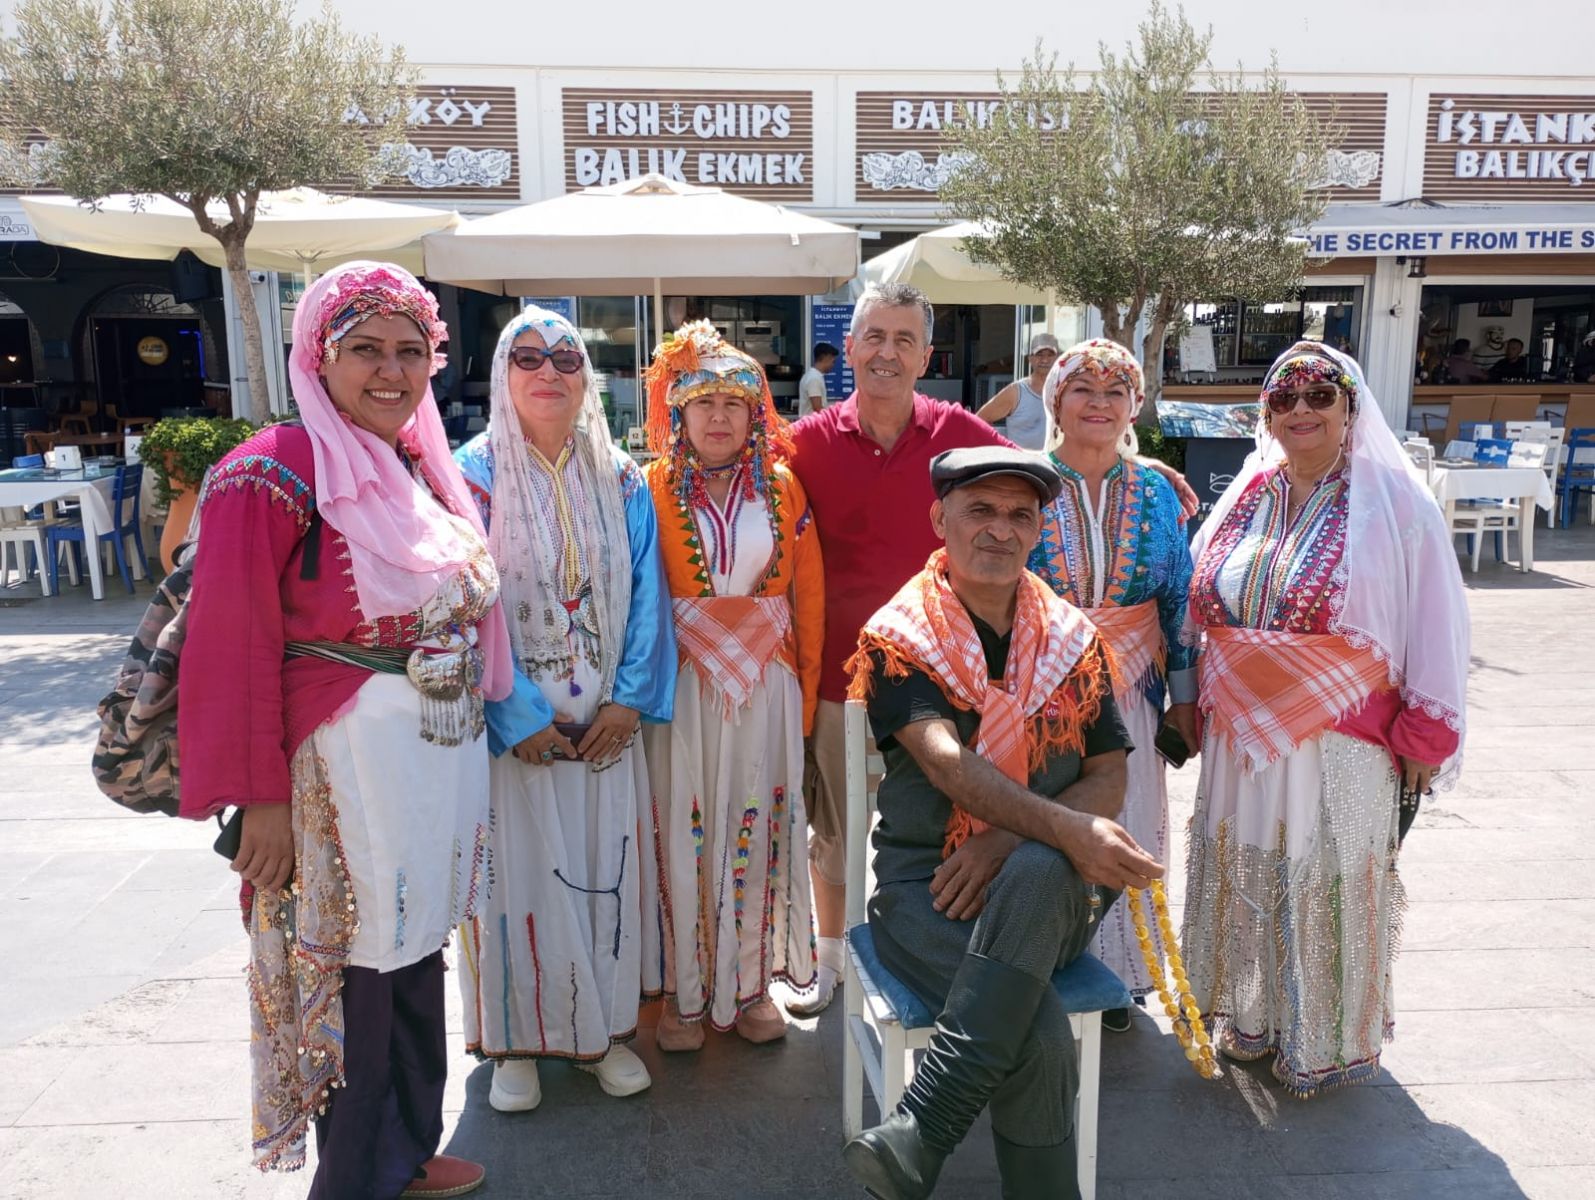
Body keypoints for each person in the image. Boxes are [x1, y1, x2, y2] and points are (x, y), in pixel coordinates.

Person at [179, 261, 513, 1198]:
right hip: (339, 769)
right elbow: (230, 644)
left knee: (412, 955)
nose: (391, 373)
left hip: (425, 770)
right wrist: (260, 801)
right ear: (317, 357)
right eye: (365, 349)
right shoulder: (269, 471)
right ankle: (357, 1174)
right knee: (356, 970)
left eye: (411, 351)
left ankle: (406, 1149)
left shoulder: (417, 466)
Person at [786, 282, 1197, 1017]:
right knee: (838, 833)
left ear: (925, 356)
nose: (887, 353)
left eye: (904, 340)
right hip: (854, 668)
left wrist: (1128, 462)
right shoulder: (806, 440)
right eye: (874, 336)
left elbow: (1042, 472)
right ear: (849, 347)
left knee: (979, 819)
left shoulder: (956, 431)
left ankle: (983, 969)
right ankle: (832, 958)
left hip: (967, 674)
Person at [840, 447, 1158, 1200]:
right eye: (979, 510)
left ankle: (923, 1127)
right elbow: (946, 763)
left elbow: (1110, 776)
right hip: (930, 891)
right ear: (939, 519)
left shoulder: (1072, 640)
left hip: (1054, 894)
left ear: (1037, 531)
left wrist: (1012, 837)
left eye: (1020, 515)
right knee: (1038, 1034)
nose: (1000, 529)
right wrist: (1060, 830)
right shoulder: (901, 638)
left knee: (1042, 865)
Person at [1183, 341, 1469, 1097]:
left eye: (1319, 395)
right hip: (1241, 736)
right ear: (1266, 414)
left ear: (1350, 408)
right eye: (1284, 398)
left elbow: (1437, 621)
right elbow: (1200, 605)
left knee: (1323, 873)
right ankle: (1251, 1019)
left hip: (1340, 735)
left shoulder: (1394, 502)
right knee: (1248, 865)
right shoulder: (1247, 494)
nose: (1300, 410)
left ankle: (1322, 1040)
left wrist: (1426, 736)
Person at [454, 305, 676, 1112]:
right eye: (527, 357)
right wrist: (514, 717)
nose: (547, 371)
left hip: (605, 726)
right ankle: (514, 1039)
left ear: (587, 377)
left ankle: (605, 1033)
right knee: (514, 881)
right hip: (513, 733)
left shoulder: (620, 476)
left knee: (602, 873)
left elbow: (649, 595)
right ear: (500, 374)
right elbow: (465, 606)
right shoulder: (467, 476)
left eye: (565, 358)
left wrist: (630, 702)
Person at [640, 320, 824, 1049]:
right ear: (678, 412)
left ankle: (750, 989)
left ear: (755, 415)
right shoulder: (650, 487)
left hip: (766, 685)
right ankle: (684, 996)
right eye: (702, 404)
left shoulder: (782, 487)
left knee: (761, 825)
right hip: (682, 688)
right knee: (682, 831)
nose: (718, 418)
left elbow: (809, 599)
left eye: (733, 405)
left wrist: (805, 704)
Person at [1028, 339, 1197, 1034]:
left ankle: (1120, 976)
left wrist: (1185, 699)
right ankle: (1048, 966)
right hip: (1041, 692)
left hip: (1134, 693)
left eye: (1115, 391)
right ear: (1055, 401)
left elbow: (1179, 600)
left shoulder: (1157, 492)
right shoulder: (1024, 481)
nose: (1098, 403)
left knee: (1131, 821)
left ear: (1134, 405)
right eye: (1082, 389)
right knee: (1053, 824)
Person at [976, 332, 1061, 449]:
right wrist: (998, 450)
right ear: (1030, 358)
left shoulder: (1064, 392)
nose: (1045, 360)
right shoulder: (1016, 392)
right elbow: (979, 419)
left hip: (1053, 461)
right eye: (1039, 355)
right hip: (1020, 460)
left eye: (1050, 355)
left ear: (1057, 358)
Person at [797, 341, 839, 417]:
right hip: (812, 423)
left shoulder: (813, 376)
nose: (833, 365)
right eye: (833, 361)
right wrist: (833, 418)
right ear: (826, 358)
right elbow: (817, 408)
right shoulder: (814, 378)